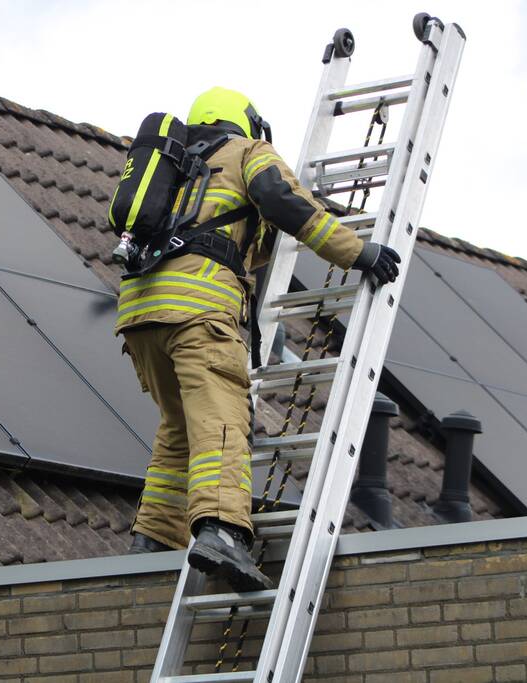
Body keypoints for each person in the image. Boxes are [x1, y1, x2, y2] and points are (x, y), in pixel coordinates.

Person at [117, 87, 400, 591]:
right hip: (198, 312)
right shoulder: (248, 153)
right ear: (245, 122)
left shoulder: (179, 168)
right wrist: (357, 252)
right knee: (222, 420)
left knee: (179, 427)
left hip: (140, 314)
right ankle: (223, 532)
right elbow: (281, 200)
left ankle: (154, 537)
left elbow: (239, 243)